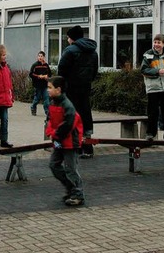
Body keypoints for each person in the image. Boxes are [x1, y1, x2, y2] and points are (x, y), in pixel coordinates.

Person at [57, 25, 98, 158]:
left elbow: (61, 70)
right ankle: (88, 146)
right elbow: (94, 71)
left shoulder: (69, 51)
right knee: (85, 113)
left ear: (72, 38)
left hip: (71, 88)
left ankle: (75, 146)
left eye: (68, 37)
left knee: (72, 114)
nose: (67, 39)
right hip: (85, 87)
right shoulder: (93, 51)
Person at [46, 75, 85, 206]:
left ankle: (77, 194)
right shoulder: (52, 102)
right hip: (59, 140)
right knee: (54, 165)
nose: (48, 90)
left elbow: (68, 124)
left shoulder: (68, 105)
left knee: (71, 169)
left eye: (50, 88)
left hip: (69, 142)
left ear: (58, 89)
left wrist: (56, 135)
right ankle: (71, 188)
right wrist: (52, 133)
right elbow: (50, 120)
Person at [29, 51, 52, 117]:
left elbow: (50, 74)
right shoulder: (35, 65)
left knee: (46, 98)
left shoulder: (46, 65)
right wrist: (38, 76)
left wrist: (46, 76)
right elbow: (31, 74)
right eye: (39, 56)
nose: (40, 57)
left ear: (44, 57)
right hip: (37, 85)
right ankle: (33, 107)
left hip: (45, 85)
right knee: (37, 98)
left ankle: (47, 112)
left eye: (41, 56)